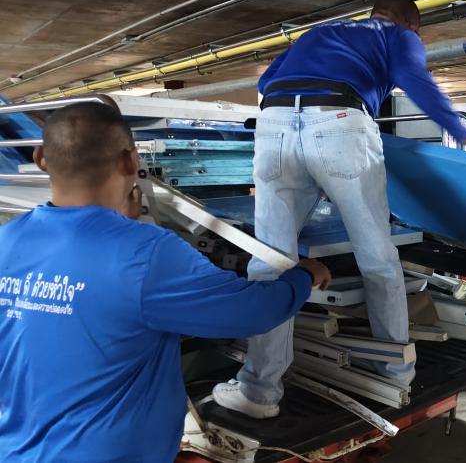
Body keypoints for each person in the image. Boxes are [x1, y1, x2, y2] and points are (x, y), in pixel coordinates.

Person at [213, 0, 466, 418]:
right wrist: (459, 129)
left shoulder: (320, 32)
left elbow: (266, 83)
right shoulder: (399, 36)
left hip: (274, 124)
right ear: (411, 25)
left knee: (271, 261)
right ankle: (394, 371)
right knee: (376, 256)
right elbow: (412, 74)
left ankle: (258, 391)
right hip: (340, 121)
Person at [0, 102, 331, 463]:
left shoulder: (8, 240)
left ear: (40, 158)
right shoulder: (147, 254)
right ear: (130, 161)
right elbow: (252, 311)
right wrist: (304, 276)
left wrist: (123, 228)